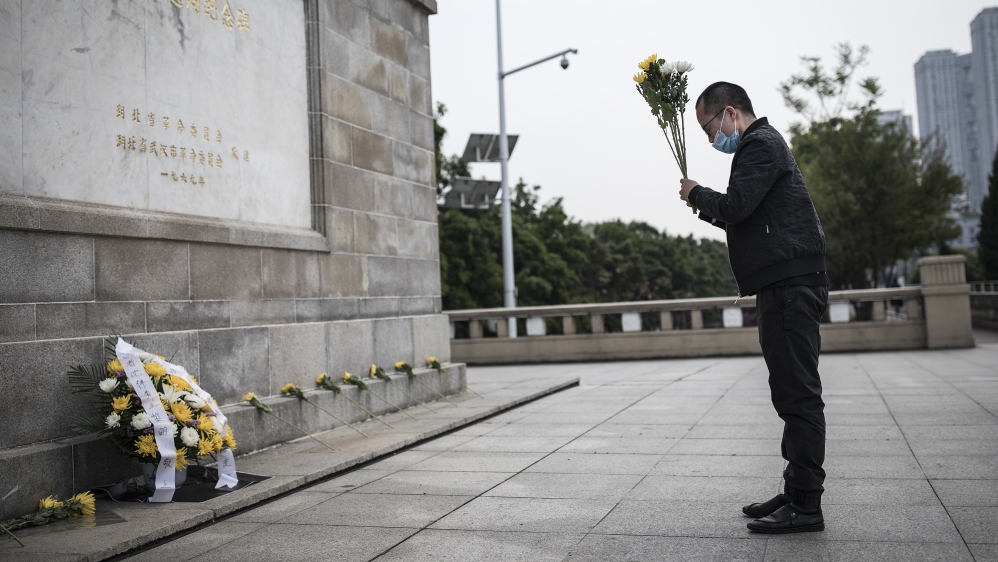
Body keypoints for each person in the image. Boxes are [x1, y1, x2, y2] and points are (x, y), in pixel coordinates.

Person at [678, 82, 829, 534]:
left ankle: (805, 507)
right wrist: (703, 203)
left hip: (789, 284)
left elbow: (737, 206)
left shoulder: (760, 144)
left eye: (710, 129)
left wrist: (696, 193)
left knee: (798, 396)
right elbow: (743, 211)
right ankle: (795, 490)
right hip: (783, 283)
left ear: (730, 114)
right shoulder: (763, 145)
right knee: (790, 393)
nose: (710, 140)